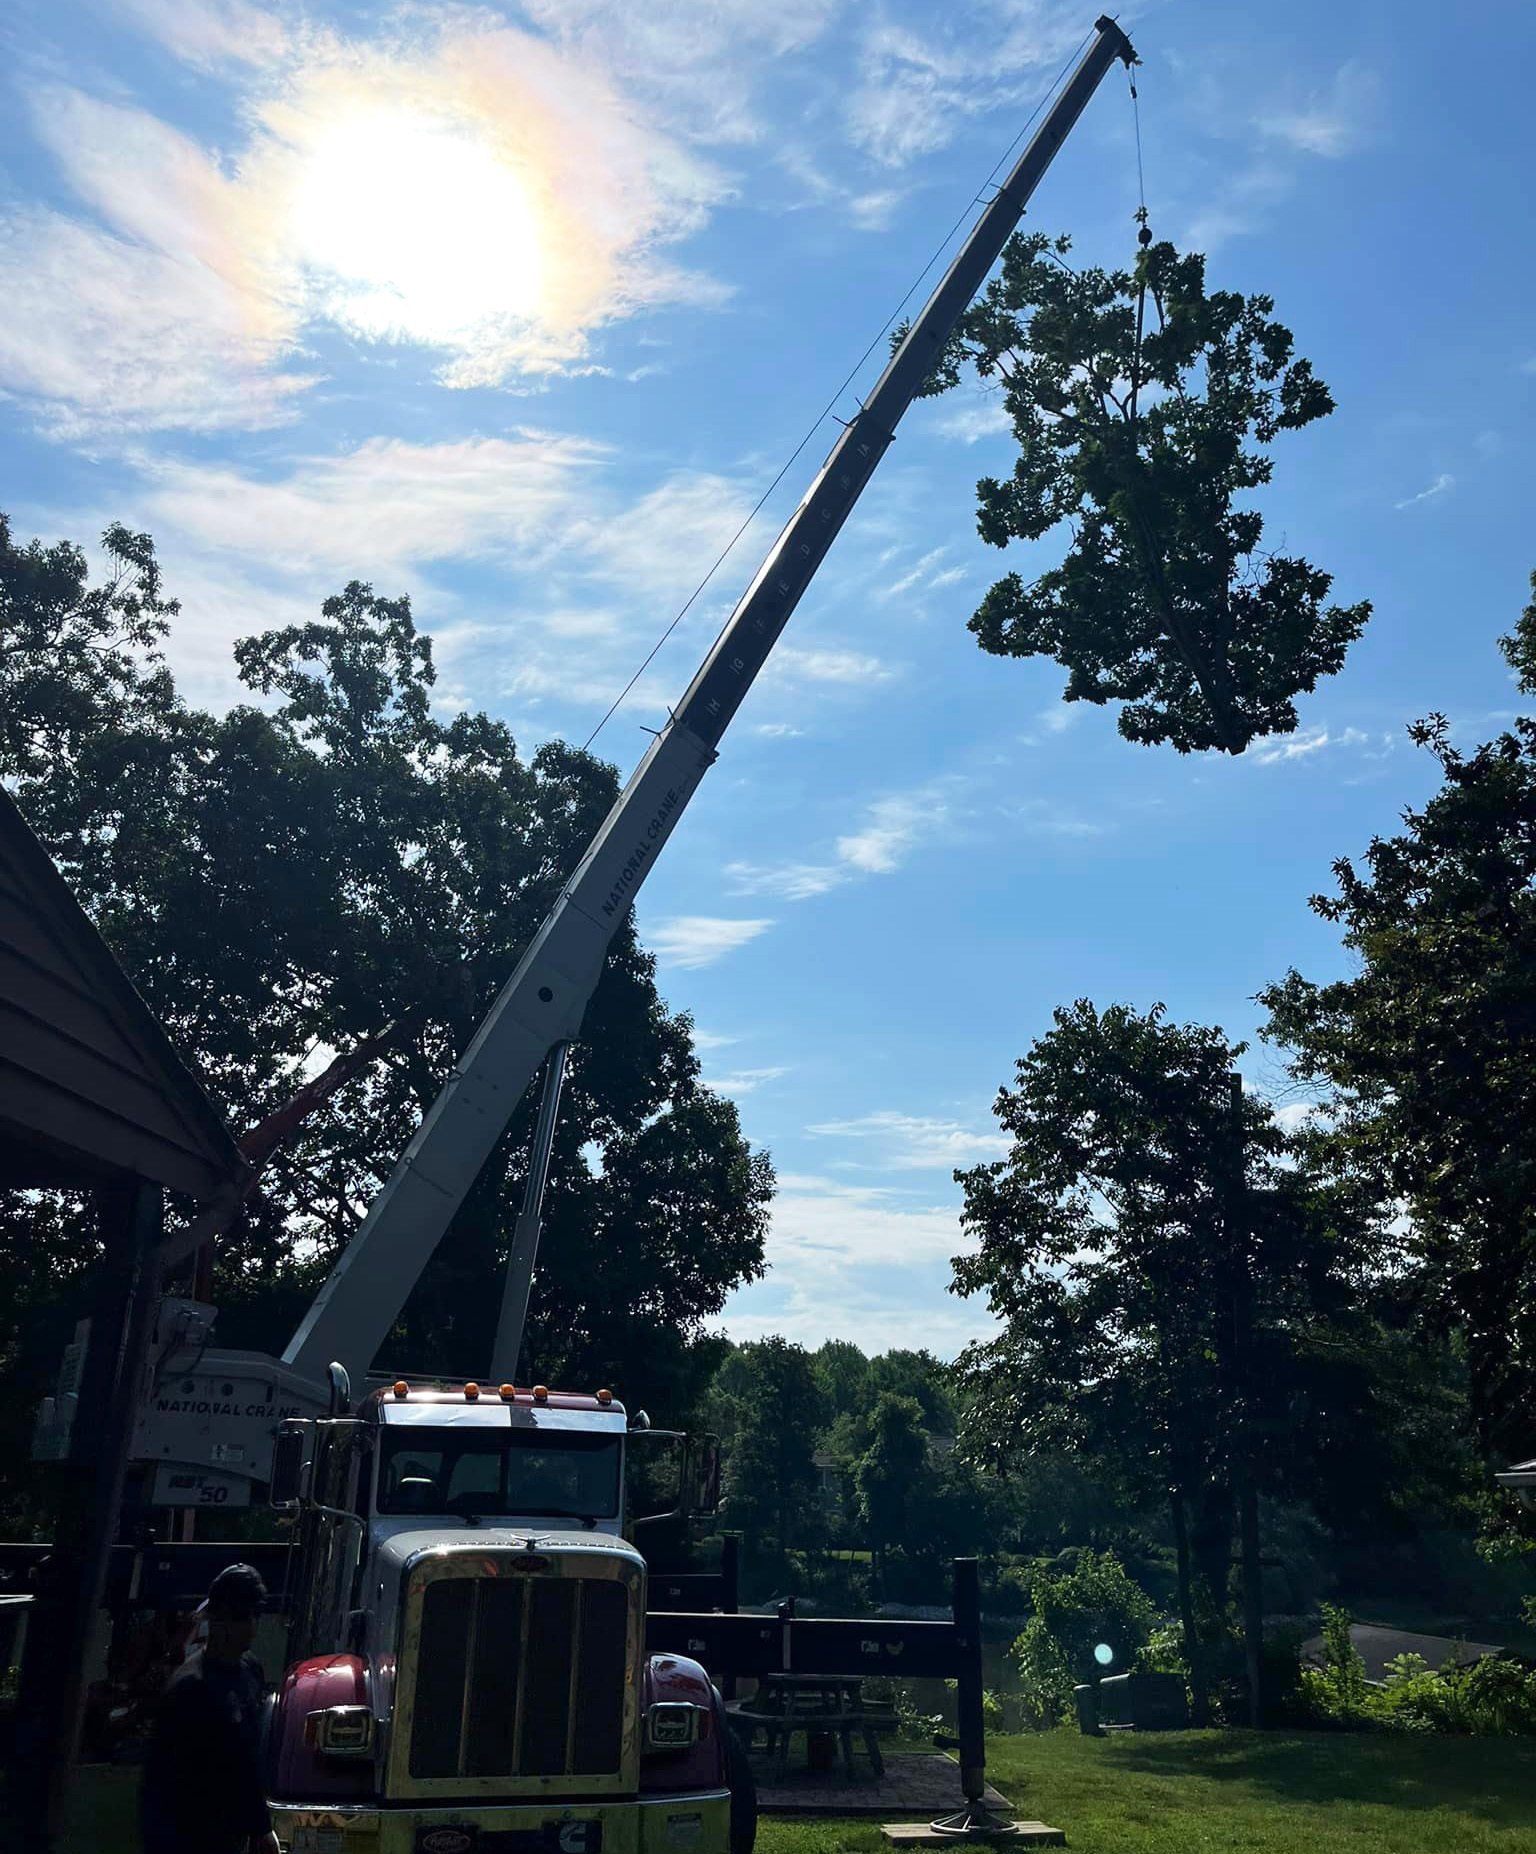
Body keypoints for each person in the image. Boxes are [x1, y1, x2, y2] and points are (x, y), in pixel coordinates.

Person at [139, 1562, 279, 1854]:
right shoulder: (191, 1689)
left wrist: (261, 1829)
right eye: (251, 1615)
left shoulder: (249, 1671)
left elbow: (246, 1763)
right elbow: (159, 1789)